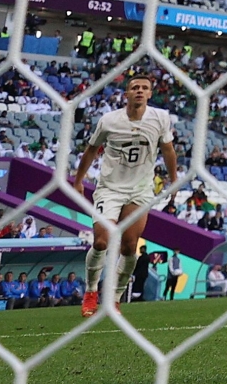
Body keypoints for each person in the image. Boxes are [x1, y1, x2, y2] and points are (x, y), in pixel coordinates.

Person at [73, 74, 178, 317]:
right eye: (135, 87)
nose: (140, 91)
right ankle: (90, 292)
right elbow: (90, 150)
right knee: (101, 241)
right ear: (126, 94)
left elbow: (168, 150)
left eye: (144, 88)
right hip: (110, 188)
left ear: (150, 94)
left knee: (130, 247)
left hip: (140, 190)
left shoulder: (161, 118)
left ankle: (115, 298)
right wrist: (78, 180)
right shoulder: (109, 121)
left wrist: (174, 181)